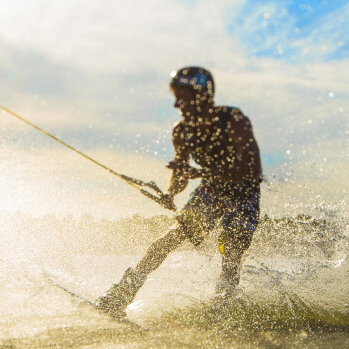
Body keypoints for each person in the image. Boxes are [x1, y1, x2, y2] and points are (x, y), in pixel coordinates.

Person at [95, 67, 262, 319]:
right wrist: (171, 192)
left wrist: (200, 173)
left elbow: (251, 169)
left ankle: (221, 309)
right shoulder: (182, 131)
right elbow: (181, 171)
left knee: (231, 250)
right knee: (167, 240)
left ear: (200, 96)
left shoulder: (233, 121)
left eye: (181, 96)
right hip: (212, 191)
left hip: (244, 193)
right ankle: (122, 294)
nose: (176, 104)